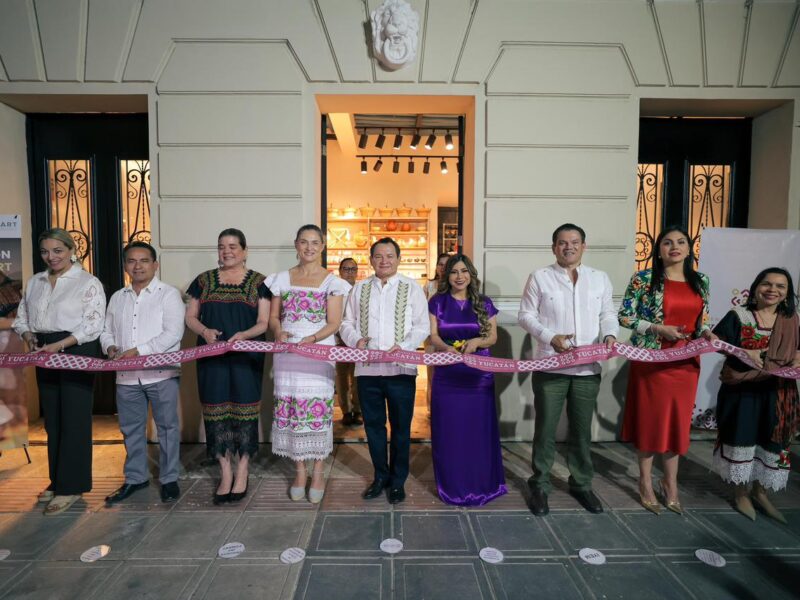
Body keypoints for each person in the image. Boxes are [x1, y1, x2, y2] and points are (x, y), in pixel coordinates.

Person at [518, 223, 618, 516]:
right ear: (554, 247)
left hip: (588, 369)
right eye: (562, 243)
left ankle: (582, 484)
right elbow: (526, 315)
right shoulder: (540, 277)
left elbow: (608, 313)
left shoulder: (599, 279)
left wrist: (610, 335)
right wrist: (551, 337)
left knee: (581, 431)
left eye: (574, 242)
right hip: (551, 365)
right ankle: (540, 484)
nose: (569, 247)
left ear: (583, 246)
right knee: (546, 430)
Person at [618, 225, 716, 515]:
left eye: (680, 242)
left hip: (686, 362)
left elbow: (703, 319)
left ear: (689, 248)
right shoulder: (644, 279)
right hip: (652, 360)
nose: (674, 246)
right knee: (650, 422)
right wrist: (657, 328)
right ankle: (646, 481)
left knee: (677, 423)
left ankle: (670, 483)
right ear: (658, 249)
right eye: (667, 243)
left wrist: (708, 333)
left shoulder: (701, 281)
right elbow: (624, 316)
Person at [14, 228, 106, 515]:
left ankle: (72, 487)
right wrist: (29, 336)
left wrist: (59, 346)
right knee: (52, 420)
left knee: (74, 420)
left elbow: (93, 325)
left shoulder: (87, 282)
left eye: (57, 250)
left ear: (71, 250)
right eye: (45, 251)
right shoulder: (35, 281)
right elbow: (22, 317)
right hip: (44, 350)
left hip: (75, 348)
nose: (51, 257)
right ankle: (57, 481)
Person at [340, 237, 430, 504]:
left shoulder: (412, 287)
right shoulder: (359, 289)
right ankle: (380, 477)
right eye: (378, 256)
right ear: (371, 260)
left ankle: (398, 481)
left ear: (398, 259)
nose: (384, 261)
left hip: (401, 370)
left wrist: (402, 346)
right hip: (367, 371)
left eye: (389, 256)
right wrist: (355, 340)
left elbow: (422, 326)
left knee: (401, 428)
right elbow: (346, 322)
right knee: (374, 427)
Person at [185, 228, 271, 505]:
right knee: (215, 410)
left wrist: (244, 336)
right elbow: (191, 317)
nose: (227, 251)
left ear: (245, 250)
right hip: (211, 355)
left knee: (245, 412)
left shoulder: (260, 282)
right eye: (222, 246)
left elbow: (264, 322)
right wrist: (205, 331)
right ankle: (225, 471)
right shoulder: (203, 281)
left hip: (247, 355)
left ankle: (243, 470)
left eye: (233, 246)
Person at [268, 225, 350, 504]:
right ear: (296, 244)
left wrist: (312, 339)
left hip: (318, 351)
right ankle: (299, 471)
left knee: (316, 410)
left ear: (323, 246)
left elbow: (335, 322)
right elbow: (274, 317)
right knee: (292, 409)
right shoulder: (280, 278)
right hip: (288, 353)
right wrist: (279, 332)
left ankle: (318, 471)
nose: (309, 248)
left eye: (315, 243)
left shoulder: (333, 282)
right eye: (304, 242)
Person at [711, 267, 800, 523]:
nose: (772, 290)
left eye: (780, 286)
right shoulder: (739, 315)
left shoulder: (792, 319)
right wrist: (741, 351)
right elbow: (716, 343)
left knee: (771, 441)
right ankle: (741, 493)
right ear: (756, 286)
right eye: (767, 284)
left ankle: (761, 493)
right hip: (743, 391)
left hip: (779, 392)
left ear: (787, 293)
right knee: (742, 438)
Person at [100, 242, 186, 505]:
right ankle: (136, 478)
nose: (137, 266)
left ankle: (169, 478)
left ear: (155, 264)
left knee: (168, 428)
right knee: (131, 429)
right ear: (125, 265)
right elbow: (106, 330)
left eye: (144, 260)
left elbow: (173, 334)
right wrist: (111, 346)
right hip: (126, 377)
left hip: (161, 374)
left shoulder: (168, 294)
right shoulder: (117, 297)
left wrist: (139, 351)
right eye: (131, 261)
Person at [428, 254, 506, 505]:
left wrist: (477, 342)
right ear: (446, 276)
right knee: (449, 430)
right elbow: (434, 336)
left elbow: (492, 337)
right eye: (453, 271)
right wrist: (445, 349)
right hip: (447, 372)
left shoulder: (484, 302)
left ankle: (483, 484)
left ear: (471, 274)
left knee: (478, 431)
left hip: (478, 376)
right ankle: (452, 485)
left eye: (464, 271)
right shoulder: (436, 302)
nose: (459, 276)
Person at [335, 258, 361, 426]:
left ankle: (358, 410)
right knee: (342, 378)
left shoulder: (361, 289)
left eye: (353, 269)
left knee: (358, 377)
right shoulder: (335, 291)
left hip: (358, 341)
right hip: (339, 341)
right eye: (346, 269)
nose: (350, 272)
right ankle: (346, 411)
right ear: (340, 271)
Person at [424, 253, 451, 415]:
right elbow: (422, 309)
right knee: (432, 373)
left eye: (447, 264)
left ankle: (447, 405)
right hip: (430, 334)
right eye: (440, 264)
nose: (443, 268)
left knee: (448, 371)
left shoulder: (457, 284)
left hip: (450, 335)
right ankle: (432, 408)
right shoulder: (429, 286)